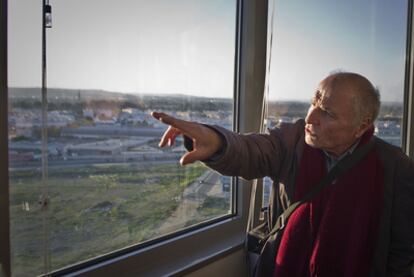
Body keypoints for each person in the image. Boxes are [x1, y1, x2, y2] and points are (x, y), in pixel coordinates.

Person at [151, 72, 414, 276]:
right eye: (314, 103)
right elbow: (253, 151)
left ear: (361, 126)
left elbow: (401, 251)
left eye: (328, 112)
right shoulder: (293, 141)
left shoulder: (395, 167)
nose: (311, 117)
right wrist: (217, 143)